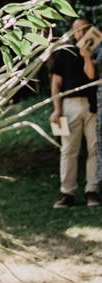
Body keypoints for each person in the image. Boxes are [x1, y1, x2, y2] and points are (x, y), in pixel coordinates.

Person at [50, 18, 99, 207]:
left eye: (85, 29)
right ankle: (67, 192)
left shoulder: (96, 51)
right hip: (69, 104)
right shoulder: (64, 52)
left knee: (94, 149)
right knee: (68, 149)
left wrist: (87, 57)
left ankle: (91, 191)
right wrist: (57, 109)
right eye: (78, 30)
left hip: (91, 104)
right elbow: (56, 82)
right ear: (72, 32)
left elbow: (91, 76)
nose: (81, 33)